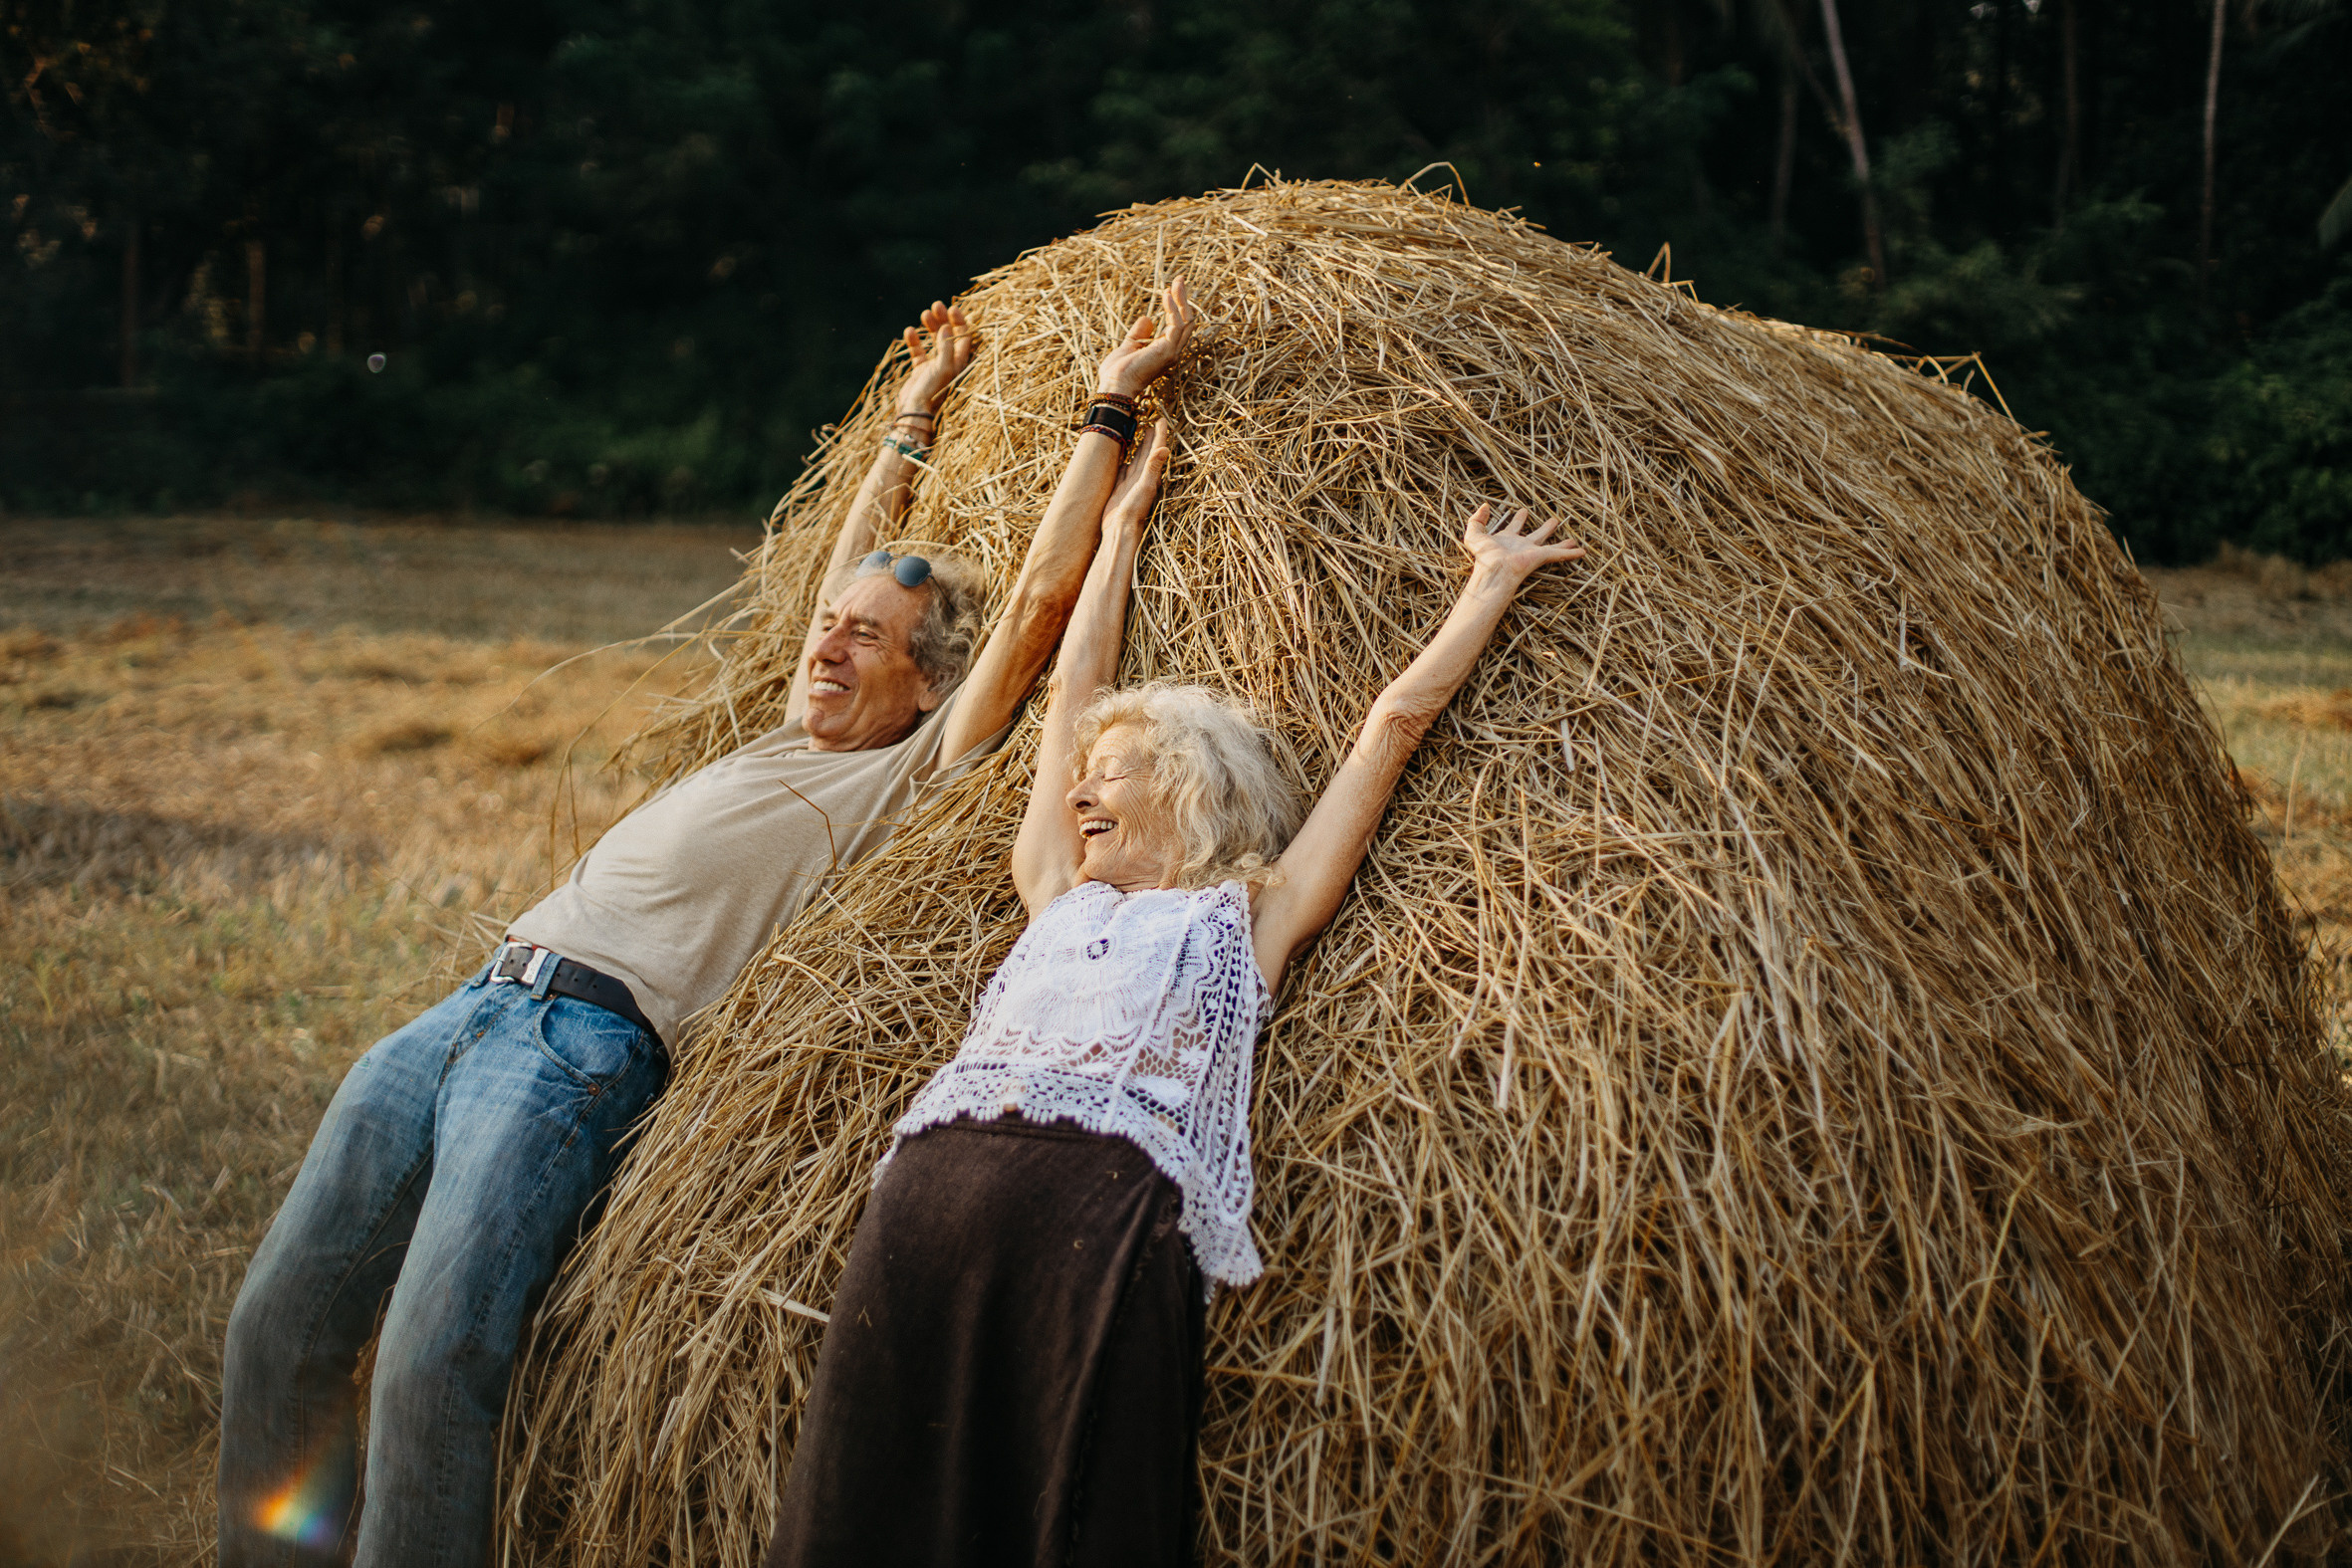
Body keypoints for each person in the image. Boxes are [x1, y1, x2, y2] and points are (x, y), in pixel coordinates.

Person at [216, 281, 1197, 1568]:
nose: (830, 646)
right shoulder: (776, 726)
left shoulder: (908, 766)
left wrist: (1109, 406)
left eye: (869, 638)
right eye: (828, 626)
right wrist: (911, 411)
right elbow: (844, 550)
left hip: (576, 1049)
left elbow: (1031, 608)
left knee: (431, 1354)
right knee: (275, 1325)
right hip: (463, 1009)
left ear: (930, 679)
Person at [762, 464, 1586, 1567]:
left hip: (1099, 1217)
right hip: (928, 1195)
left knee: (1078, 1498)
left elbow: (1387, 732)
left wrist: (1485, 587)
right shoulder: (1057, 887)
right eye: (1083, 778)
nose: (1078, 791)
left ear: (1192, 784)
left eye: (1115, 771)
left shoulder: (1254, 915)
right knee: (860, 1502)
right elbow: (1073, 692)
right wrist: (1123, 525)